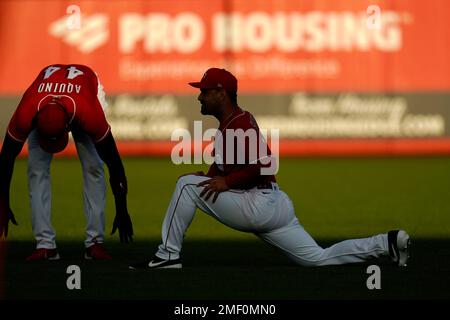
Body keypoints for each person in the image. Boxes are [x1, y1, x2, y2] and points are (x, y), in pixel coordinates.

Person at [129, 67, 410, 270]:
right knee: (316, 258)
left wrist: (225, 183)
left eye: (204, 91)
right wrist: (212, 177)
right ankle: (385, 243)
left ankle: (167, 255)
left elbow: (264, 164)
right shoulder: (232, 122)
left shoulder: (238, 123)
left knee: (184, 186)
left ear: (221, 93)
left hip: (257, 203)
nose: (199, 96)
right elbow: (225, 164)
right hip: (274, 204)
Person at [0, 64, 133, 261]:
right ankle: (45, 245)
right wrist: (3, 202)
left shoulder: (89, 112)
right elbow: (6, 160)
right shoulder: (27, 111)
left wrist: (122, 209)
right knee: (36, 169)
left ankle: (94, 243)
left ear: (68, 127)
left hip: (86, 90)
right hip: (48, 98)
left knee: (94, 166)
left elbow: (114, 162)